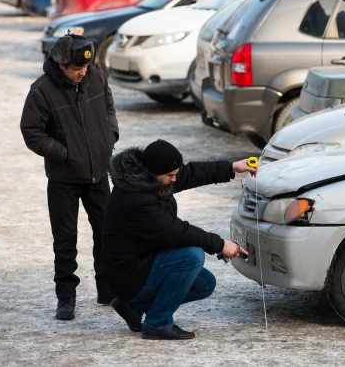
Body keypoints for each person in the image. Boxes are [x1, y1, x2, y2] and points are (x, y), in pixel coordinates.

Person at [102, 140, 255, 340]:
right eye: (171, 175)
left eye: (175, 173)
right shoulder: (136, 199)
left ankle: (133, 306)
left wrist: (232, 167)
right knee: (191, 256)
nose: (175, 179)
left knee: (203, 284)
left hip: (144, 260)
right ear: (154, 171)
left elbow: (190, 173)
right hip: (126, 274)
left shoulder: (149, 178)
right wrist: (221, 245)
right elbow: (177, 232)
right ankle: (157, 323)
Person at [20, 33, 119, 320]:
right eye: (77, 68)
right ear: (61, 64)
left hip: (99, 175)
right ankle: (66, 299)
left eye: (86, 67)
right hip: (63, 179)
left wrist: (110, 136)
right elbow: (32, 132)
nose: (83, 72)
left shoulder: (95, 78)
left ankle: (107, 290)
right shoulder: (41, 91)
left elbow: (109, 108)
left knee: (107, 235)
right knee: (65, 242)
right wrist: (65, 153)